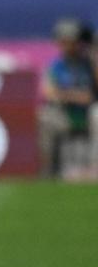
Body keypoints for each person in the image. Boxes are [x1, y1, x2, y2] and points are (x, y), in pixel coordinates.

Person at [38, 19, 98, 177]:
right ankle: (48, 170)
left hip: (88, 114)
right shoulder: (56, 66)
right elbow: (49, 92)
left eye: (71, 41)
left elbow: (91, 96)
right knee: (45, 117)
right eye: (63, 41)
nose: (66, 46)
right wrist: (76, 96)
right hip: (65, 114)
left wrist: (93, 58)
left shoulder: (89, 64)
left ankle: (95, 166)